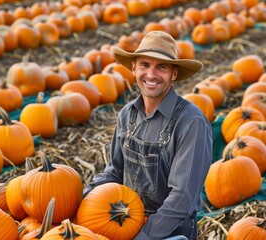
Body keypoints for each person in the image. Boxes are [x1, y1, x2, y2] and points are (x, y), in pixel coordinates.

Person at [83, 31, 213, 239]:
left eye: (161, 67)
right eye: (145, 65)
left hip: (169, 232)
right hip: (125, 222)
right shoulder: (127, 114)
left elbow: (182, 198)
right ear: (134, 68)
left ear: (173, 73)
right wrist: (83, 199)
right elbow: (115, 172)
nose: (151, 75)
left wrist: (144, 236)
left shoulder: (191, 122)